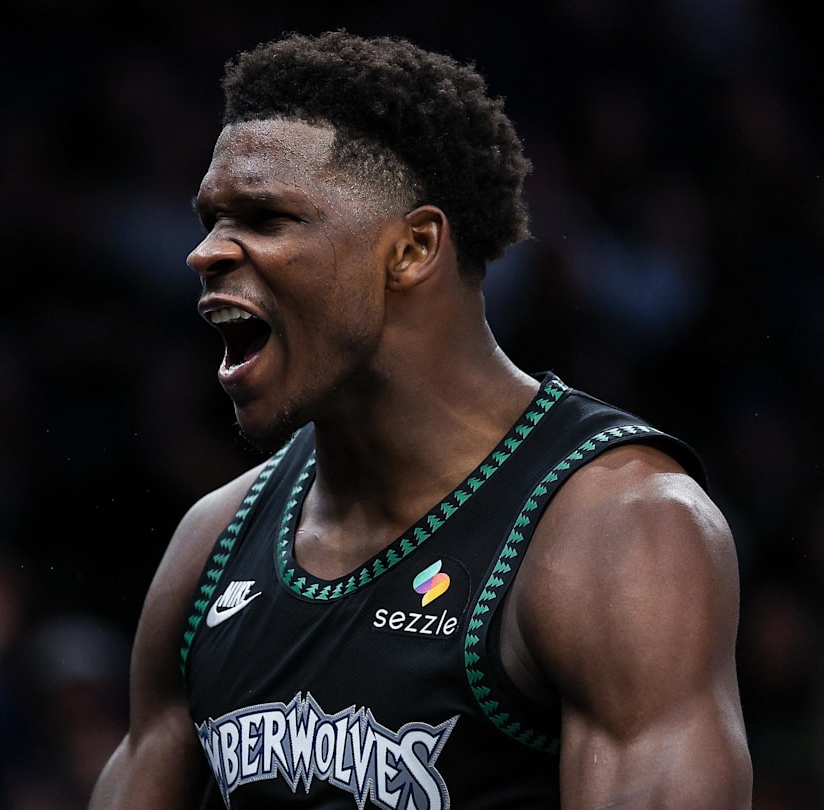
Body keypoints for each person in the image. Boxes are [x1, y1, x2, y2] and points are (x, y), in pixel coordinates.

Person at [90, 30, 751, 809]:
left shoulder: (620, 531)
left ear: (411, 249)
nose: (205, 254)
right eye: (210, 219)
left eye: (264, 218)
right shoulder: (212, 542)